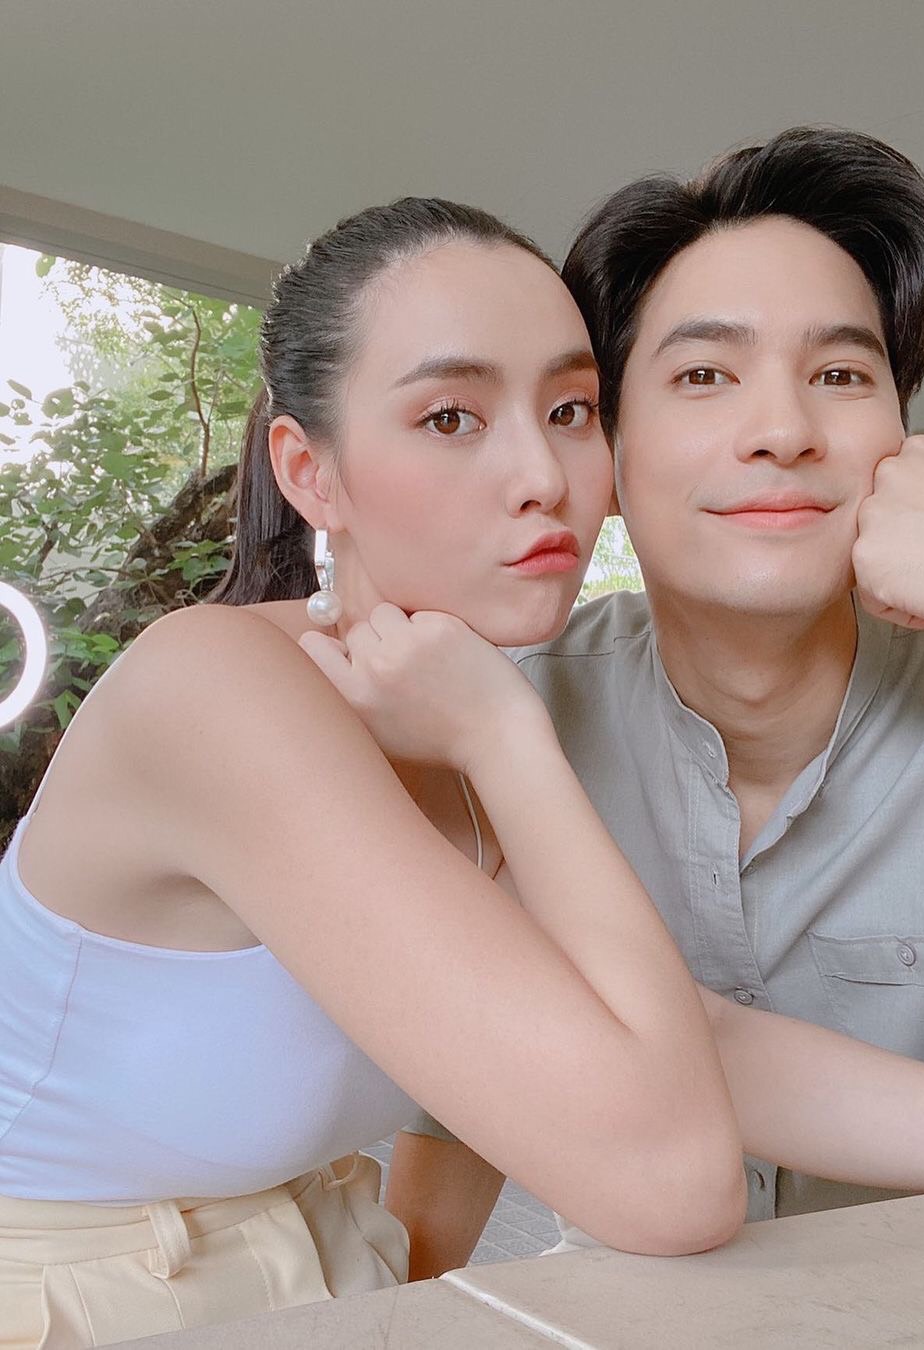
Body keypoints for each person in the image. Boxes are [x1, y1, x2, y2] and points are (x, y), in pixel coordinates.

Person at [0, 198, 749, 1348]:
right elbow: (672, 1185)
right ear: (311, 473)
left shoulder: (440, 706)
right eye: (451, 416)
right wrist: (509, 741)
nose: (543, 475)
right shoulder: (217, 687)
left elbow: (681, 1042)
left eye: (570, 410)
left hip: (317, 1273)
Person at [392, 126, 924, 1271]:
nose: (783, 433)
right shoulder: (493, 715)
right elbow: (452, 1122)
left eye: (841, 376)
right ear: (606, 449)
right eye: (705, 375)